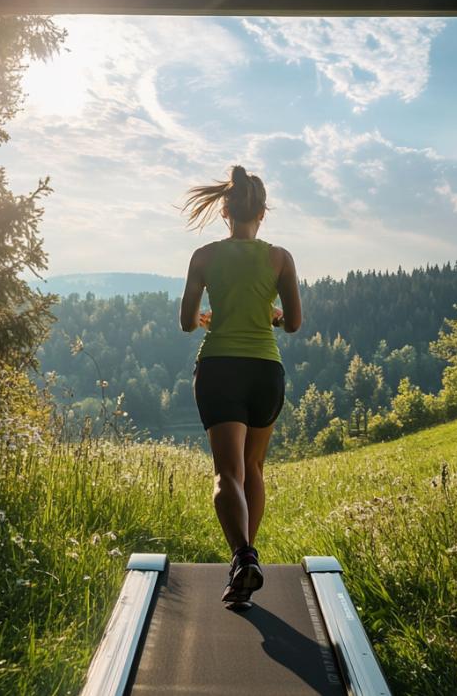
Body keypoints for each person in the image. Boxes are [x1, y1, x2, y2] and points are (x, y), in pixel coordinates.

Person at [179, 165, 303, 608]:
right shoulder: (280, 258)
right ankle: (244, 569)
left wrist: (207, 319)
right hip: (264, 371)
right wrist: (267, 315)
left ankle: (243, 556)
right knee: (253, 470)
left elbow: (186, 321)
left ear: (225, 213)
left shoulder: (204, 257)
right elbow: (293, 324)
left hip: (220, 368)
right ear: (263, 213)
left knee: (225, 472)